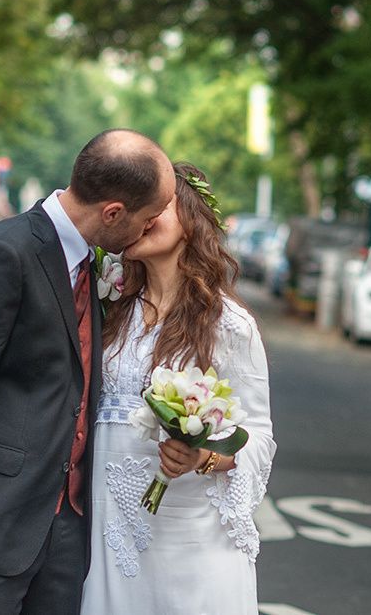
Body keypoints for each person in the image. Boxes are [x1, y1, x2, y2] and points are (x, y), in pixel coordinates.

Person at [0, 129, 176, 615]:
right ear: (113, 213)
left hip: (66, 533)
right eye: (146, 220)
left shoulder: (92, 264)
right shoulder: (3, 253)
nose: (148, 230)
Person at [80, 163, 277, 615]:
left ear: (191, 219)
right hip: (109, 537)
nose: (143, 217)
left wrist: (202, 456)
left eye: (159, 206)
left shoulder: (228, 323)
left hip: (190, 539)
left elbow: (260, 438)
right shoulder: (111, 311)